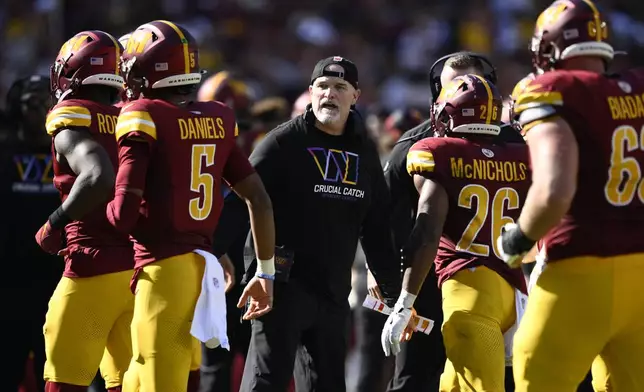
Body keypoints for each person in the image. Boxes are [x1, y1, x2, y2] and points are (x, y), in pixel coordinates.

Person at [106, 20, 276, 392]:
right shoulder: (217, 117)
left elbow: (122, 215)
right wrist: (266, 273)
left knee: (155, 379)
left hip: (162, 271)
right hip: (202, 268)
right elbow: (259, 200)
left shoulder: (145, 114)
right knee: (142, 377)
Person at [215, 55, 401, 392]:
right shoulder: (282, 142)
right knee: (265, 381)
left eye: (340, 87)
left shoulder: (364, 151)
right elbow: (239, 202)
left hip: (333, 291)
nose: (330, 94)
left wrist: (394, 293)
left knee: (327, 385)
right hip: (281, 284)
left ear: (355, 96)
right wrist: (213, 252)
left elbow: (376, 227)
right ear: (311, 91)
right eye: (323, 86)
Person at [498, 1, 644, 390]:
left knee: (535, 376)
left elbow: (554, 190)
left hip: (580, 269)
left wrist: (517, 240)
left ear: (547, 48)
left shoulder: (550, 91)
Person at [381, 51, 523, 392]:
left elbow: (427, 230)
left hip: (463, 287)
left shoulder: (435, 151)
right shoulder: (524, 151)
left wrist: (404, 301)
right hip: (512, 288)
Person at [32, 31, 135, 392]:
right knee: (129, 384)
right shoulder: (132, 118)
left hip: (90, 269)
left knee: (64, 383)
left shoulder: (71, 118)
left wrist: (54, 223)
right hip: (140, 270)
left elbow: (97, 175)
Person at [0, 75, 62, 392]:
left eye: (47, 103)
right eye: (33, 104)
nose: (42, 111)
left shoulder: (69, 149)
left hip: (57, 279)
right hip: (9, 281)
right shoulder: (4, 152)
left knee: (51, 371)